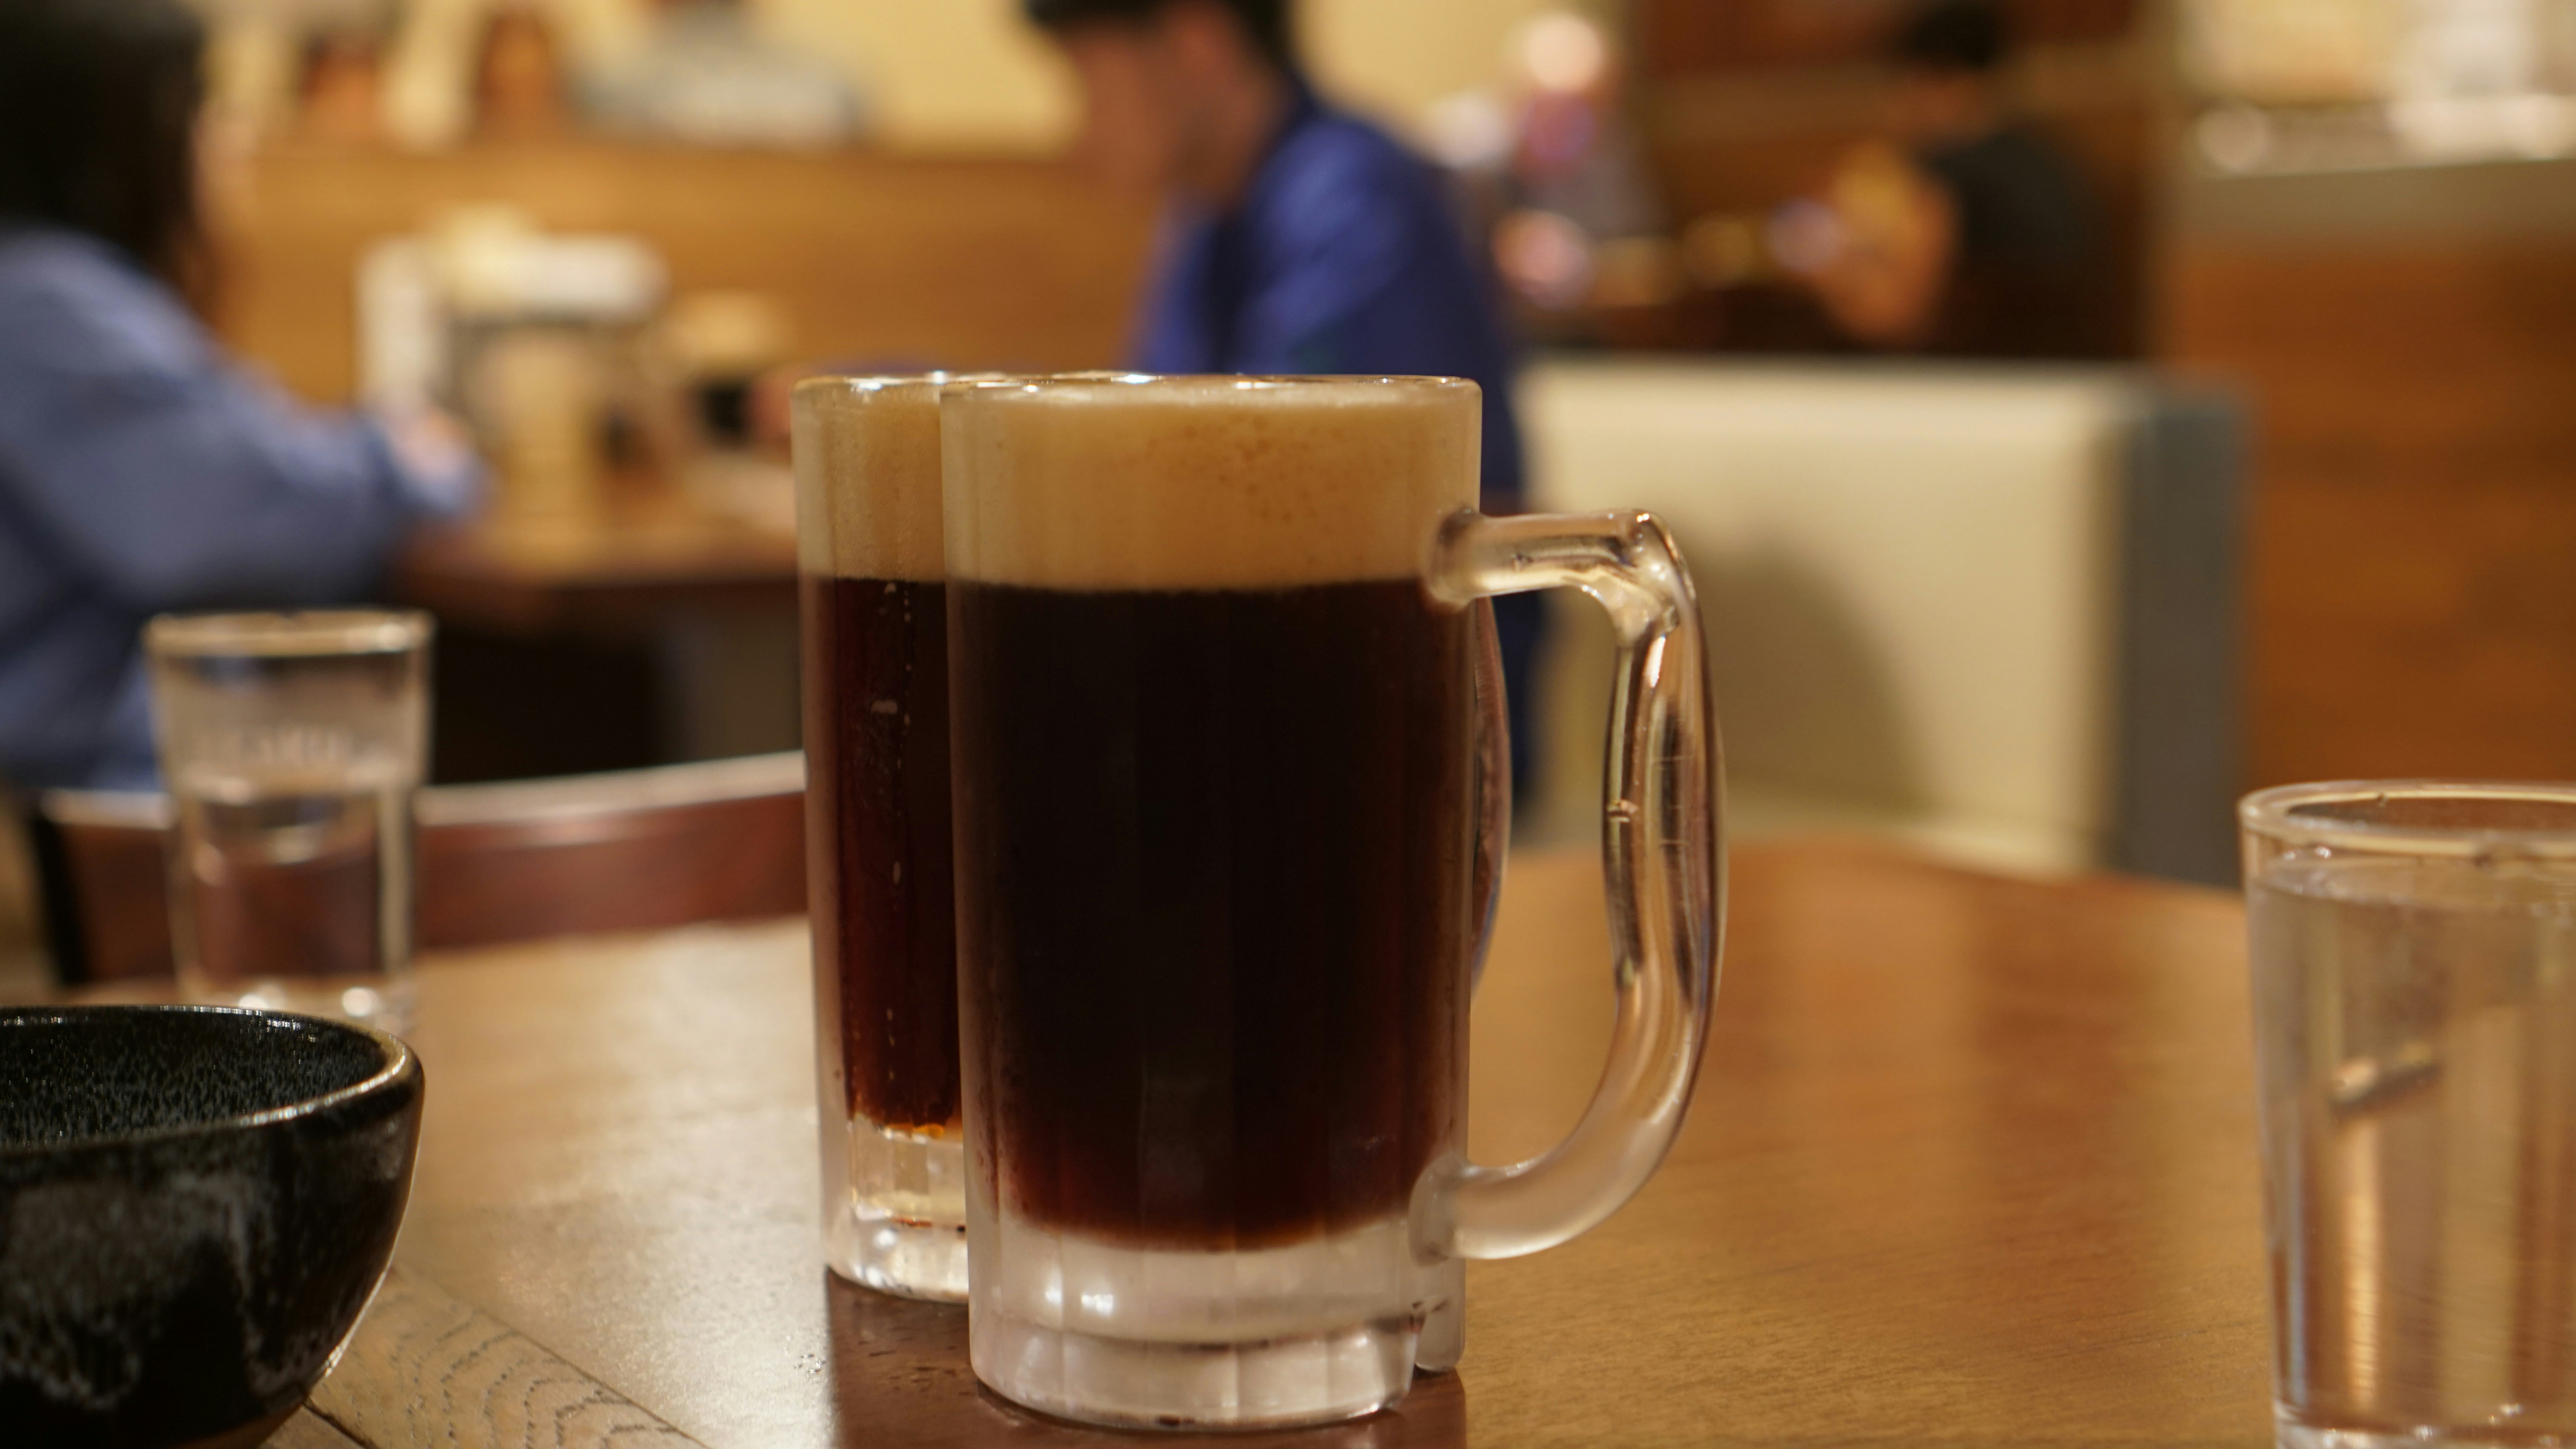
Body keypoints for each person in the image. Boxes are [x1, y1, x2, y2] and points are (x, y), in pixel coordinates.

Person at [1022, 0, 1546, 794]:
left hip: (1411, 729)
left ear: (1195, 39)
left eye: (1088, 79)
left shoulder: (1352, 194)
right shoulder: (1207, 216)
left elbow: (1261, 482)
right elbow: (1141, 443)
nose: (1081, 129)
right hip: (1268, 681)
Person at [0, 0, 480, 791]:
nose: (229, 137)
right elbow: (231, 512)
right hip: (73, 813)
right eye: (205, 104)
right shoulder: (46, 302)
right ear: (119, 123)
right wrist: (405, 457)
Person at [1801, 0, 2105, 357]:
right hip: (2064, 370)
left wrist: (1822, 272)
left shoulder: (1946, 172)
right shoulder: (2046, 156)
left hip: (1980, 383)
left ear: (1938, 80)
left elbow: (1895, 318)